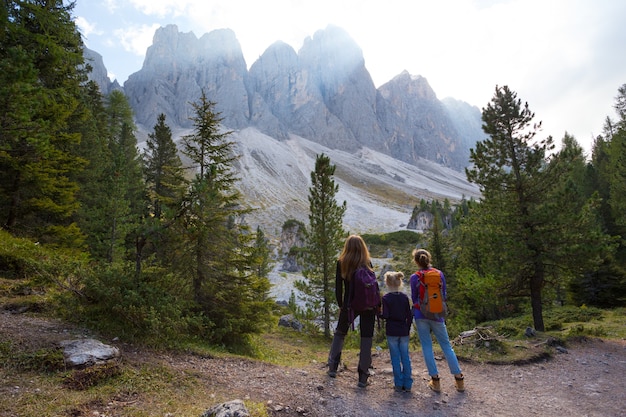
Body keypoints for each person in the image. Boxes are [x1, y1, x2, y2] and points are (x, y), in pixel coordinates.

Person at [327, 234, 380, 388]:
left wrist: (341, 305)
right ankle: (363, 377)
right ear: (363, 247)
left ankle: (332, 367)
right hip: (368, 305)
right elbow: (373, 286)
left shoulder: (342, 262)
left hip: (350, 304)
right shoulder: (367, 262)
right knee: (366, 338)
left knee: (340, 333)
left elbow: (339, 287)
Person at [410, 248, 465, 393]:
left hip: (421, 315)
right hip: (438, 315)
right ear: (429, 259)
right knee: (447, 346)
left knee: (427, 347)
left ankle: (436, 381)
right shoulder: (439, 274)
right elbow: (444, 294)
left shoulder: (414, 277)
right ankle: (459, 380)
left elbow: (414, 298)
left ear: (416, 261)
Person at [381, 271, 413, 392]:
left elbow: (386, 315)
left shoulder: (386, 298)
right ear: (400, 282)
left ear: (387, 283)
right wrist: (408, 328)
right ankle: (408, 383)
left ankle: (398, 383)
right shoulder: (404, 297)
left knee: (395, 357)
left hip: (391, 330)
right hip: (403, 330)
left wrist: (378, 314)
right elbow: (409, 315)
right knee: (405, 357)